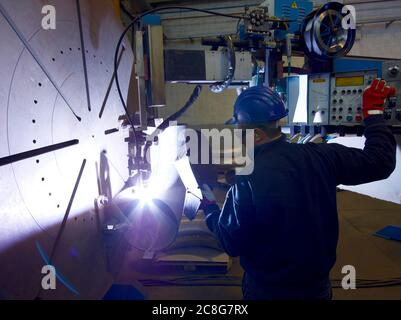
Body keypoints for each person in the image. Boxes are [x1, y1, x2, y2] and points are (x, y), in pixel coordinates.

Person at [201, 79, 397, 300]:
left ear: (255, 134)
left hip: (267, 291)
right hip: (316, 288)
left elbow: (231, 242)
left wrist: (209, 208)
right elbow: (380, 161)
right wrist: (373, 112)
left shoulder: (248, 176)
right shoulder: (321, 156)